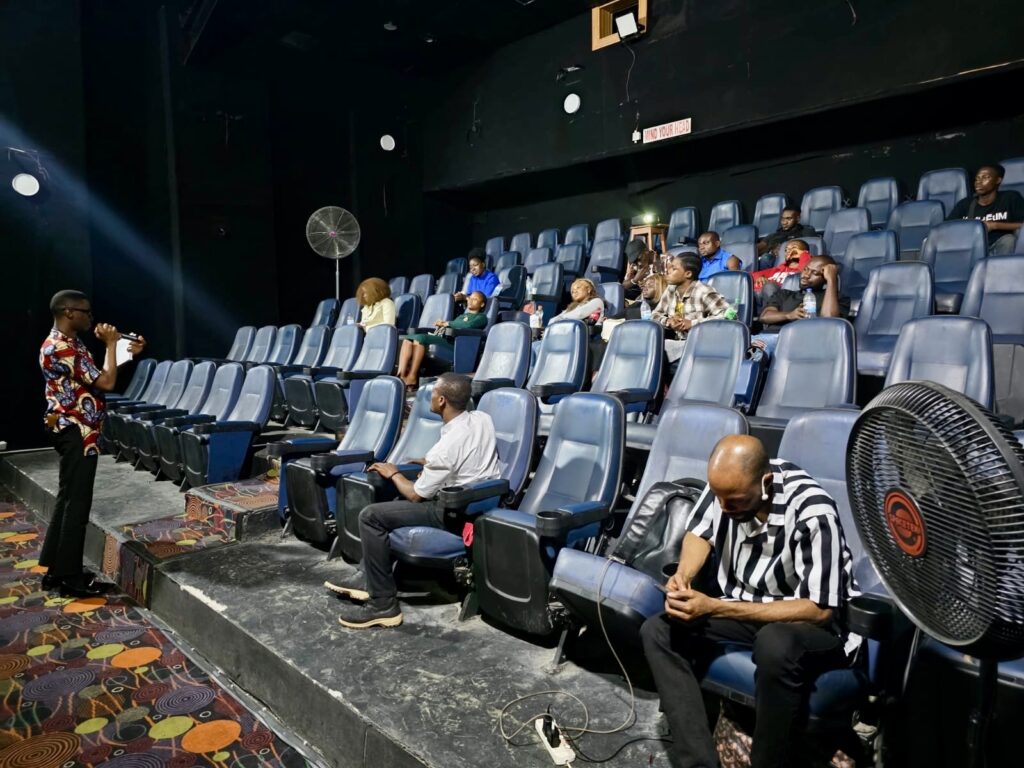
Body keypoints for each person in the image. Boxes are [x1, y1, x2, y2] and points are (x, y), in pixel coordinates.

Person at [641, 435, 859, 768]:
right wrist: (684, 573)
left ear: (765, 483)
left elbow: (820, 609)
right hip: (748, 606)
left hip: (808, 623)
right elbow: (699, 532)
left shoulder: (813, 511)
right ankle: (699, 763)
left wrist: (714, 606)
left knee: (776, 642)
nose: (725, 509)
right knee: (658, 631)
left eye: (736, 502)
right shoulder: (726, 490)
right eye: (720, 499)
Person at [326, 373, 502, 629]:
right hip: (478, 504)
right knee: (394, 500)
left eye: (432, 393)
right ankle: (370, 579)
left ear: (441, 401)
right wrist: (430, 464)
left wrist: (393, 472)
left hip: (452, 512)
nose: (428, 397)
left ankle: (383, 605)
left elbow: (416, 494)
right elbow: (465, 458)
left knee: (371, 516)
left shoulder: (448, 446)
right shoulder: (483, 419)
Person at [39, 290, 146, 598]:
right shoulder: (60, 347)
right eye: (85, 312)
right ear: (68, 312)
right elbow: (107, 383)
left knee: (68, 497)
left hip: (74, 429)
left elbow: (96, 375)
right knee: (77, 502)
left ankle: (55, 569)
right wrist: (112, 344)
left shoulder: (68, 343)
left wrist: (124, 351)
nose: (91, 316)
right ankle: (71, 577)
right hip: (76, 431)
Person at [753, 255, 849, 359]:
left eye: (815, 273)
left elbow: (829, 322)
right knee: (740, 343)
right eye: (806, 269)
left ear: (825, 277)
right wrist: (790, 315)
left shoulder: (835, 299)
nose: (806, 275)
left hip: (794, 340)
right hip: (763, 338)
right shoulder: (784, 294)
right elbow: (764, 316)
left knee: (755, 351)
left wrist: (832, 279)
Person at [396, 291, 489, 389]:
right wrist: (444, 324)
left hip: (456, 345)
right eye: (470, 298)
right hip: (445, 339)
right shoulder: (462, 316)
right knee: (408, 340)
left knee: (420, 338)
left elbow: (468, 326)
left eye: (475, 299)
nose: (470, 301)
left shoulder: (482, 317)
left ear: (482, 304)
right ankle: (400, 375)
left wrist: (447, 323)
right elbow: (454, 324)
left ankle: (412, 376)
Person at [651, 253, 731, 364]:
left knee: (659, 352)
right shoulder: (671, 289)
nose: (668, 271)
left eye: (673, 269)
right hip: (680, 342)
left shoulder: (704, 291)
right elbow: (655, 314)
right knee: (651, 347)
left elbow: (729, 317)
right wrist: (668, 321)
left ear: (688, 274)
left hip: (702, 344)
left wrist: (693, 324)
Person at [947, 163, 1024, 255]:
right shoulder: (965, 204)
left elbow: (1021, 225)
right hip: (972, 247)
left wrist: (994, 225)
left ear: (998, 180)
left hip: (999, 243)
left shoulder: (1010, 198)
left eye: (985, 177)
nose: (979, 182)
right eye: (977, 178)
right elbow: (948, 228)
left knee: (1009, 240)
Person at [751, 239, 812, 304]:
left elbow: (806, 270)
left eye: (794, 248)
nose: (789, 251)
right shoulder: (776, 270)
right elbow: (748, 276)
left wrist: (804, 254)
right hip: (757, 297)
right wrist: (760, 277)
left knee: (769, 286)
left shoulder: (803, 271)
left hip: (782, 301)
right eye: (786, 250)